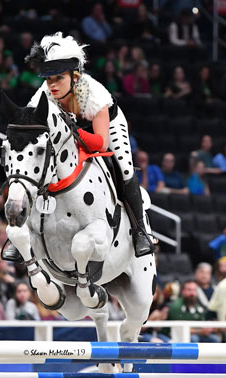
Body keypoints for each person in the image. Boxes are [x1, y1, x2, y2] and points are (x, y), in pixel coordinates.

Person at [18, 32, 154, 258]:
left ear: (75, 76)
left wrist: (74, 130)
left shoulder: (95, 94)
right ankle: (24, 229)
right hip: (71, 128)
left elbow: (100, 143)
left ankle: (140, 231)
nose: (52, 85)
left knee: (124, 167)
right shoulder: (44, 92)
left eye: (59, 78)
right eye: (49, 79)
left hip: (105, 127)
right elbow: (29, 120)